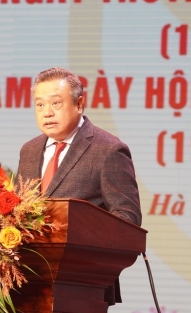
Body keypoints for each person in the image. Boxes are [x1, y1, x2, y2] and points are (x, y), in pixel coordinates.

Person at [16, 67, 142, 226]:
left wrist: (81, 231)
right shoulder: (29, 150)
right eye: (40, 104)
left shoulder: (108, 150)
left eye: (56, 103)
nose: (47, 112)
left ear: (79, 104)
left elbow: (128, 217)